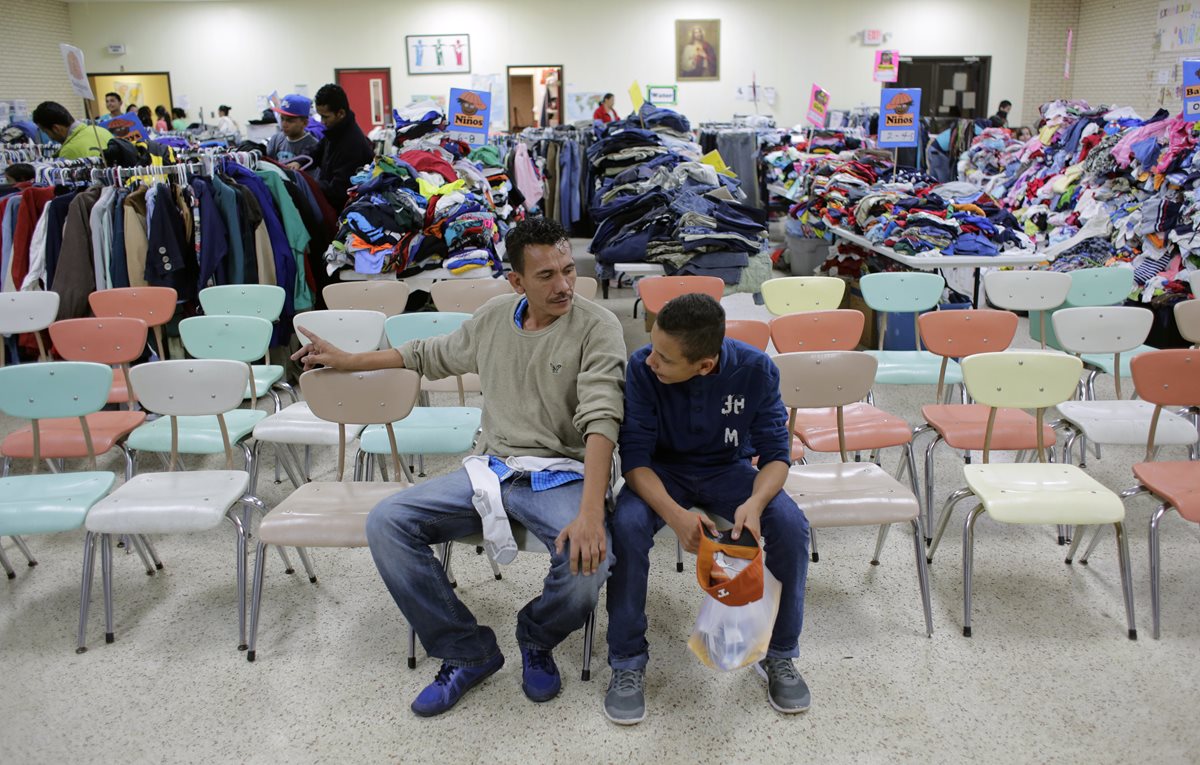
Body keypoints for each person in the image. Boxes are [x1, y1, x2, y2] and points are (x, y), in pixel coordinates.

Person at [291, 218, 626, 718]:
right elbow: (428, 354)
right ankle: (467, 650)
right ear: (515, 281)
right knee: (388, 522)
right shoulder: (494, 318)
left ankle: (536, 634)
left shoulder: (598, 326)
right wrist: (346, 360)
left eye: (567, 271)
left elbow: (603, 419)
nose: (562, 286)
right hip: (493, 469)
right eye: (545, 276)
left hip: (562, 471)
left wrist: (592, 514)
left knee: (591, 560)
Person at [604, 293, 811, 725]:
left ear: (704, 365)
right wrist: (676, 516)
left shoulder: (755, 370)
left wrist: (754, 503)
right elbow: (636, 461)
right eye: (654, 348)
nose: (650, 362)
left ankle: (779, 654)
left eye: (665, 358)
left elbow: (777, 456)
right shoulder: (643, 368)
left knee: (791, 527)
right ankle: (626, 661)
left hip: (728, 471)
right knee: (626, 525)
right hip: (662, 473)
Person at [309, 83, 375, 209]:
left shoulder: (352, 144)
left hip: (342, 210)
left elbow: (338, 191)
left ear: (341, 113)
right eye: (320, 116)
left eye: (325, 117)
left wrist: (309, 184)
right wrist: (300, 162)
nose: (322, 122)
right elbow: (316, 152)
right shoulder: (334, 132)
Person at [31, 101, 114, 160]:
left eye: (46, 132)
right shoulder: (101, 131)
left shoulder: (68, 152)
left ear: (56, 129)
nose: (50, 137)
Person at [266, 94, 319, 162]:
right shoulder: (276, 139)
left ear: (305, 123)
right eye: (282, 119)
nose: (284, 124)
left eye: (290, 120)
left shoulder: (313, 146)